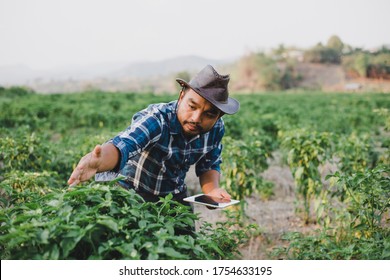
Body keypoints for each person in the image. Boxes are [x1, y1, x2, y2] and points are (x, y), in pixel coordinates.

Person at [67, 64, 240, 211]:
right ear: (181, 97)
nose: (196, 118)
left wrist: (212, 191)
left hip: (173, 194)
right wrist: (99, 162)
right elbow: (125, 144)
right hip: (133, 191)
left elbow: (208, 165)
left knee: (187, 246)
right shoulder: (158, 119)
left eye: (209, 114)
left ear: (219, 116)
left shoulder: (216, 128)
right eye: (192, 106)